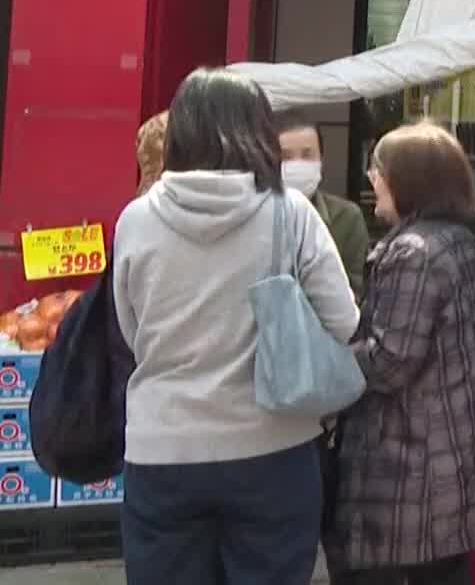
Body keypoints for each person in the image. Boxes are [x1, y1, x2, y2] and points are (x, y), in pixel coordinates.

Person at [114, 69, 359, 585]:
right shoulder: (291, 213)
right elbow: (345, 320)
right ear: (256, 132)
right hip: (273, 450)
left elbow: (131, 329)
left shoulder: (135, 220)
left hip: (162, 449)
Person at [327, 123, 475, 584]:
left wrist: (327, 358)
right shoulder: (460, 243)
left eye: (379, 169)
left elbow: (390, 361)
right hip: (452, 459)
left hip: (409, 466)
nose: (372, 179)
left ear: (409, 179)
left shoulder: (414, 252)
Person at [274, 112, 374, 300]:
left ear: (321, 159)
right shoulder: (252, 214)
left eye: (307, 155)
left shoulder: (347, 217)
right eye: (286, 156)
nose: (297, 164)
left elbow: (355, 288)